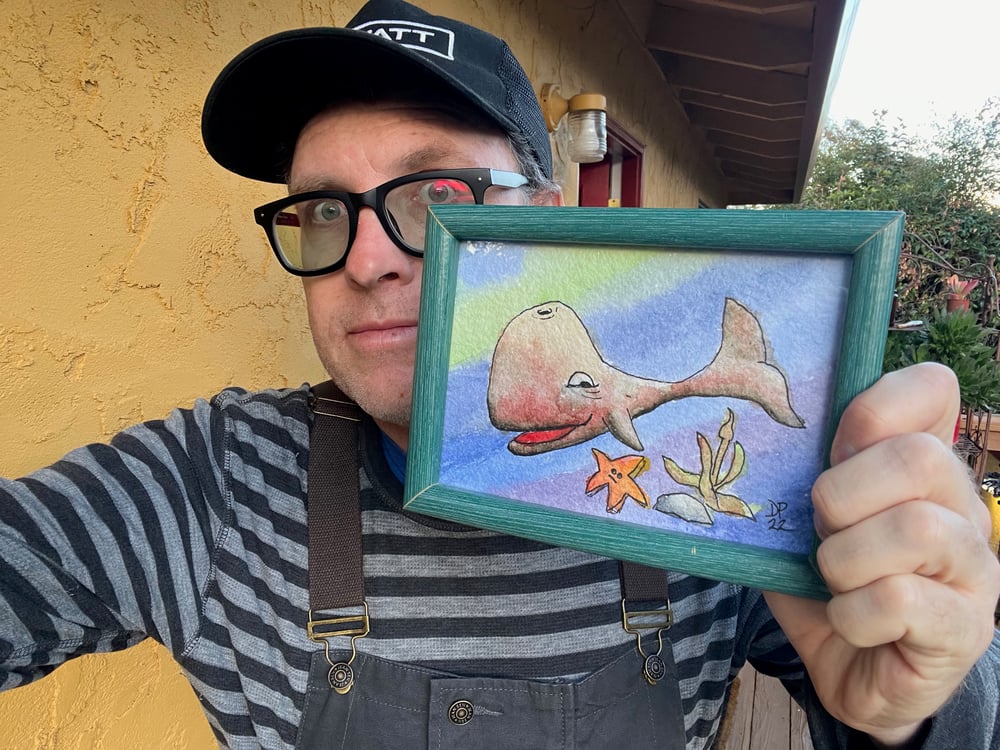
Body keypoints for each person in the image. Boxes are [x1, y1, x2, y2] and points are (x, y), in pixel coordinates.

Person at [1, 1, 998, 748]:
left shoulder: (713, 494)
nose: (365, 259)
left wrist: (926, 698)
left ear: (548, 213)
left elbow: (912, 697)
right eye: (320, 210)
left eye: (437, 192)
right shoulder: (210, 481)